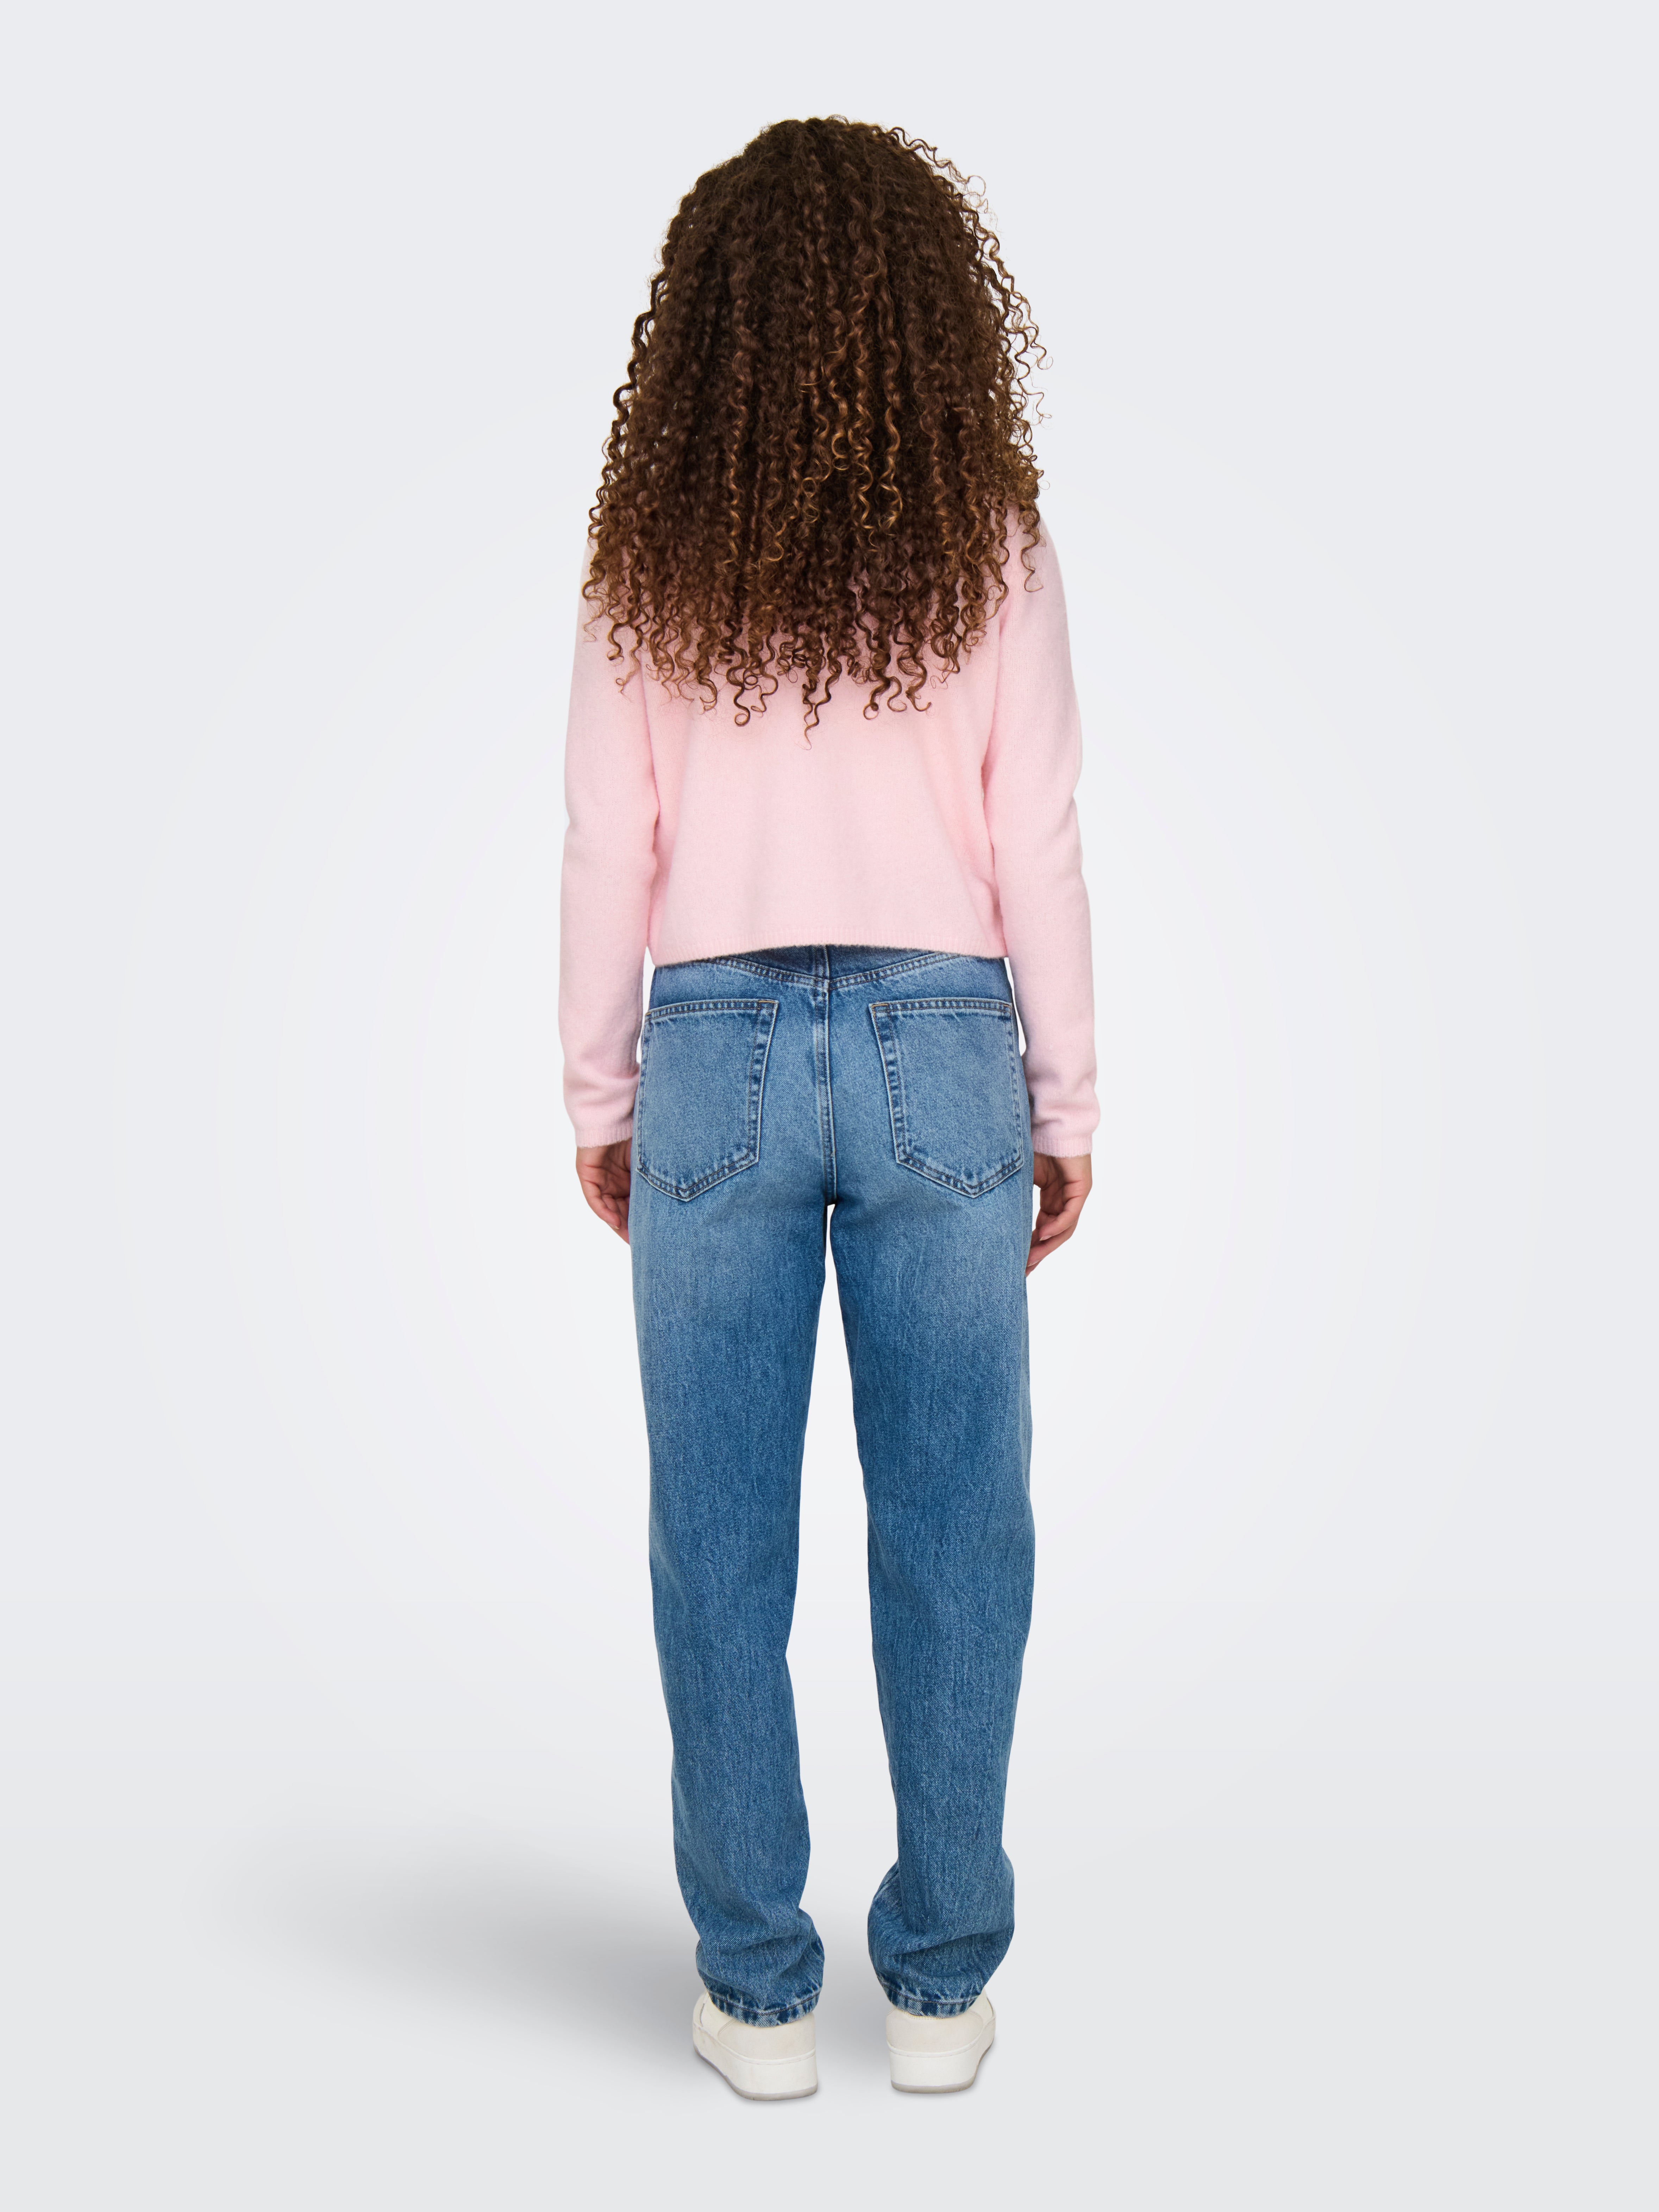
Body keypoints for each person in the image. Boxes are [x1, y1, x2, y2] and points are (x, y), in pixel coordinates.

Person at [559, 117, 1096, 2099]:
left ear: (701, 325)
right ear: (934, 314)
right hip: (946, 1045)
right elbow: (1036, 837)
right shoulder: (989, 539)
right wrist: (1064, 1100)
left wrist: (599, 1087)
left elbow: (606, 839)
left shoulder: (651, 552)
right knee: (960, 1527)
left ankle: (756, 1992)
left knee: (717, 1535)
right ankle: (941, 1986)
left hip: (711, 1050)